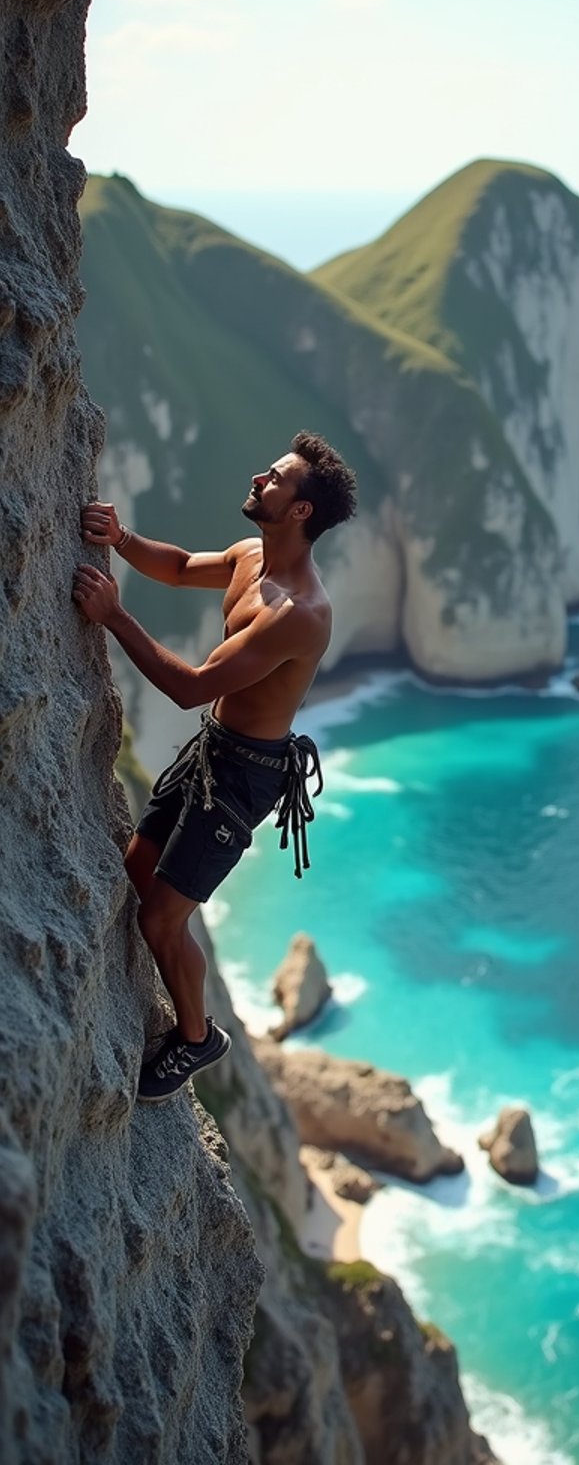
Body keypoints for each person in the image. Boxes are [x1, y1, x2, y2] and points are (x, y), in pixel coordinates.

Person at [74, 431, 357, 1103]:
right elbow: (176, 566)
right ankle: (182, 1006)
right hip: (213, 750)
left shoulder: (299, 613)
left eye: (277, 478)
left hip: (243, 778)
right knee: (138, 876)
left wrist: (114, 616)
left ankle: (197, 1039)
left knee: (161, 918)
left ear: (300, 512)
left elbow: (193, 686)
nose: (261, 476)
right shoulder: (249, 558)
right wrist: (123, 539)